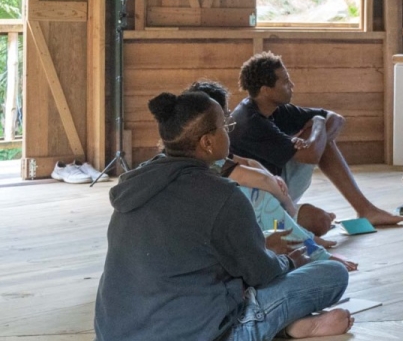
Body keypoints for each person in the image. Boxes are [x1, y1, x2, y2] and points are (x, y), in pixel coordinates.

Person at [95, 91, 353, 341]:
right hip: (197, 333)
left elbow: (187, 252)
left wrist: (261, 246)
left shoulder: (133, 188)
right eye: (225, 126)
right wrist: (288, 262)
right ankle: (283, 326)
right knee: (332, 273)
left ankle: (289, 325)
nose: (229, 131)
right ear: (207, 142)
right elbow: (261, 274)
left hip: (117, 333)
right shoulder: (222, 195)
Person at [188, 80, 357, 271]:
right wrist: (286, 203)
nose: (291, 85)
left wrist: (271, 178)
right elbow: (257, 179)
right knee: (263, 200)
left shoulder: (199, 148)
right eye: (225, 119)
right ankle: (314, 251)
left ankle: (307, 241)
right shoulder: (212, 157)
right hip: (220, 231)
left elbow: (246, 162)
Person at [228, 52, 403, 226]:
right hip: (258, 198)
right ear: (266, 90)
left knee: (320, 140)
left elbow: (336, 118)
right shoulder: (251, 122)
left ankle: (366, 210)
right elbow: (311, 154)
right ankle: (364, 210)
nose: (292, 85)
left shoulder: (275, 108)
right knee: (320, 222)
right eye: (285, 82)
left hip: (276, 183)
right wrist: (318, 123)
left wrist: (317, 134)